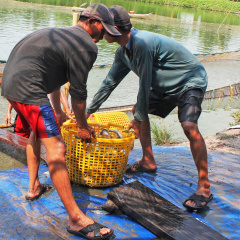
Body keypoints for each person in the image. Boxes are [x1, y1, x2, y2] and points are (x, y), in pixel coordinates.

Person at [1, 3, 121, 239]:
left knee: (38, 133)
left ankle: (34, 187)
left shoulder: (60, 34)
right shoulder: (85, 45)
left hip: (10, 86)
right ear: (92, 22)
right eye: (104, 29)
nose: (104, 35)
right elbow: (78, 94)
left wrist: (57, 110)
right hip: (29, 89)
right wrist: (83, 126)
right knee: (57, 147)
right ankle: (76, 219)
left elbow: (53, 79)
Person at [86, 5, 213, 212]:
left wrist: (137, 117)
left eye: (104, 26)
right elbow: (109, 83)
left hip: (190, 80)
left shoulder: (142, 43)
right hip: (164, 84)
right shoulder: (123, 52)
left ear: (114, 28)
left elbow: (144, 84)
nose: (100, 31)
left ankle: (204, 187)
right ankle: (148, 160)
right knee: (140, 109)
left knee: (189, 125)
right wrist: (88, 111)